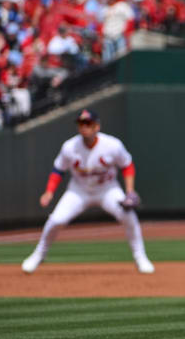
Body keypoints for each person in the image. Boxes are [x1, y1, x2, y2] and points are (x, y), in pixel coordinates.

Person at [21, 109, 154, 274]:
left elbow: (127, 165)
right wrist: (49, 191)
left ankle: (140, 257)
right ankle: (38, 255)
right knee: (56, 220)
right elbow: (58, 170)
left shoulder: (112, 145)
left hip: (107, 189)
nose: (84, 127)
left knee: (129, 217)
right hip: (79, 191)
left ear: (97, 126)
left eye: (88, 123)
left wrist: (129, 191)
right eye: (81, 123)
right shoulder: (70, 147)